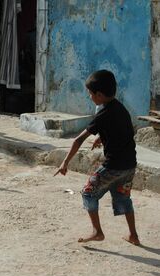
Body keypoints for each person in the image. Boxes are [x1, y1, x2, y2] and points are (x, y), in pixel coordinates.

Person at [55, 70, 140, 246]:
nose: (89, 96)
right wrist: (102, 137)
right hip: (129, 165)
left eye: (90, 94)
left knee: (88, 193)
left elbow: (78, 140)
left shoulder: (102, 114)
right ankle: (133, 235)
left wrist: (65, 163)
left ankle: (97, 232)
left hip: (113, 166)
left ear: (99, 95)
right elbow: (124, 131)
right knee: (123, 197)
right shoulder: (120, 107)